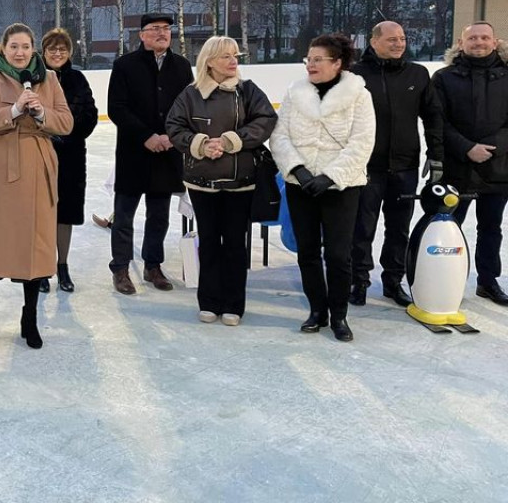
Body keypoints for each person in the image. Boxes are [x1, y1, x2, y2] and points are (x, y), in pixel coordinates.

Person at [0, 23, 73, 350]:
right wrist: (12, 111)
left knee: (33, 246)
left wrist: (42, 114)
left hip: (36, 167)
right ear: (4, 47)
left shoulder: (49, 79)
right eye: (14, 46)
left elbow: (66, 123)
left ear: (33, 48)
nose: (21, 52)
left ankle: (30, 318)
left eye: (26, 46)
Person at [165, 36, 277, 326]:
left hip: (241, 183)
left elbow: (266, 120)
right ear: (209, 61)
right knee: (211, 242)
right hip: (202, 183)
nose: (233, 61)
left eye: (235, 56)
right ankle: (209, 301)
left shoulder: (248, 91)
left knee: (235, 245)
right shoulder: (190, 95)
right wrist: (201, 144)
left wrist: (231, 141)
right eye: (226, 56)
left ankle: (233, 304)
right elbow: (174, 126)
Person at [271, 33, 375, 342]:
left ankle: (339, 314)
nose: (311, 65)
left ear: (337, 63)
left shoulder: (358, 95)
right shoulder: (295, 93)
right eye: (309, 59)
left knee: (339, 255)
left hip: (342, 187)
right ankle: (317, 309)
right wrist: (299, 172)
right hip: (300, 186)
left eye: (318, 59)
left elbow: (362, 142)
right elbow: (279, 136)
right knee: (307, 252)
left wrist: (329, 177)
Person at [349, 21, 443, 307]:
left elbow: (433, 116)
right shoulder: (355, 75)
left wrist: (436, 154)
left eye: (402, 38)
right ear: (374, 41)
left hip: (405, 165)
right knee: (362, 226)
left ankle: (393, 281)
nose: (399, 44)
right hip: (367, 166)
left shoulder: (417, 73)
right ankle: (359, 281)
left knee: (399, 226)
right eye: (391, 39)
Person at [106, 12, 193, 295]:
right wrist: (146, 136)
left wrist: (170, 137)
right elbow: (117, 108)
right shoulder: (124, 65)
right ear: (141, 35)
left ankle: (153, 265)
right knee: (124, 216)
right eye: (155, 29)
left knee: (159, 215)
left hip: (167, 153)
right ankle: (120, 267)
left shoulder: (181, 66)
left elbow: (187, 108)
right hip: (134, 152)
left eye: (166, 29)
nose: (162, 33)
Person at [432, 21, 508, 305]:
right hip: (457, 167)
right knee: (449, 226)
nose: (479, 42)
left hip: (497, 168)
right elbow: (437, 120)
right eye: (472, 38)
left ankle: (488, 282)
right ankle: (445, 280)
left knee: (491, 227)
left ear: (494, 40)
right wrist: (466, 148)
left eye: (484, 37)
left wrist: (493, 148)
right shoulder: (444, 77)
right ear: (461, 44)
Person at [39, 27, 98, 292]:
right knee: (41, 213)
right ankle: (41, 268)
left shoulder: (78, 79)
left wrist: (68, 136)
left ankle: (62, 266)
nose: (57, 53)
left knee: (65, 213)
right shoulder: (33, 78)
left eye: (62, 49)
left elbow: (90, 115)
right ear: (44, 52)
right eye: (52, 48)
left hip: (71, 157)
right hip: (39, 155)